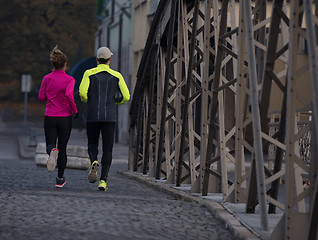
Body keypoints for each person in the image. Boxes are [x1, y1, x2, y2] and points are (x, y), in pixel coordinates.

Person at [79, 46, 130, 191]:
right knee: (108, 149)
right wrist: (117, 102)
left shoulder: (88, 73)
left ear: (97, 59)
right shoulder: (117, 75)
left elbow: (82, 93)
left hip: (93, 114)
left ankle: (94, 161)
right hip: (110, 116)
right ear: (109, 60)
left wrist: (87, 101)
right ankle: (103, 181)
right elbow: (126, 96)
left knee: (92, 143)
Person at [38, 46, 78, 188]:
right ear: (65, 64)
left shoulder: (46, 78)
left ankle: (51, 152)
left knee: (51, 144)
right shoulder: (70, 79)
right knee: (63, 147)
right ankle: (60, 178)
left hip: (50, 116)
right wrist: (75, 110)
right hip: (65, 117)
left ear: (53, 64)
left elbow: (41, 97)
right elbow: (68, 95)